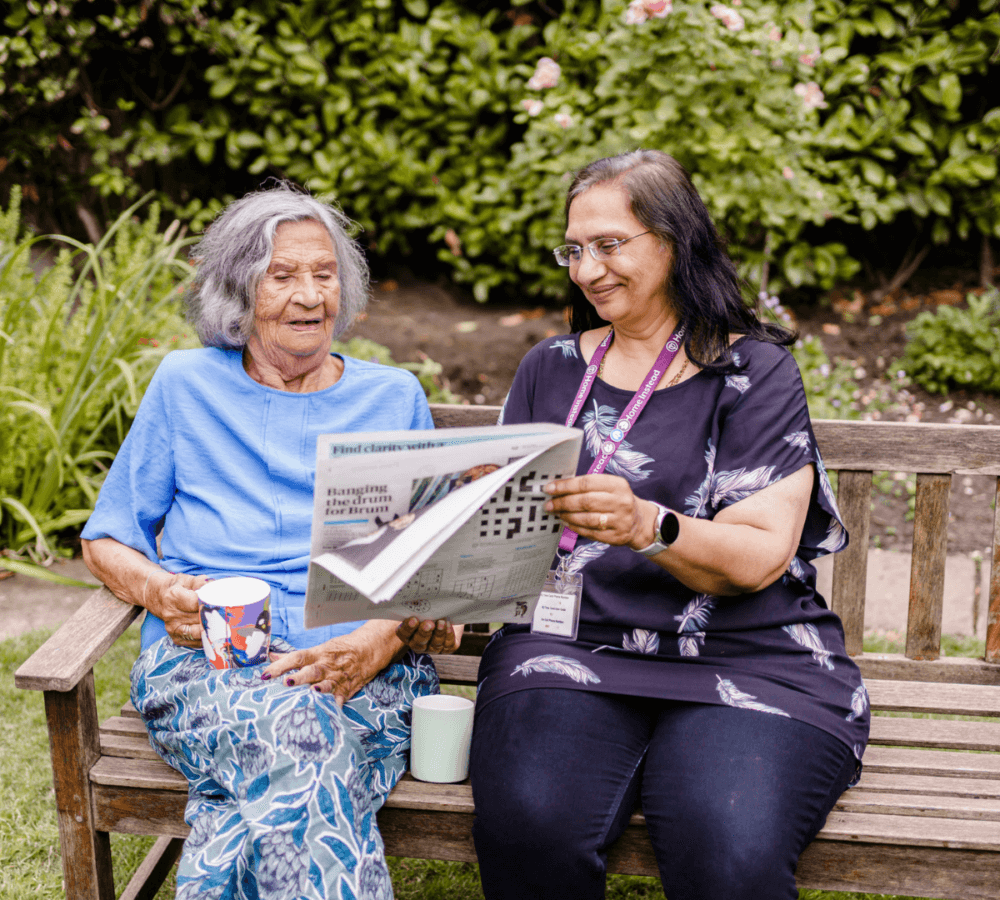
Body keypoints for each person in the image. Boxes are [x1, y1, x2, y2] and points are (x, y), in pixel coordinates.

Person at [420, 150, 871, 899]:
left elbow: (760, 557)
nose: (587, 269)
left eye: (609, 245)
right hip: (567, 645)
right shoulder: (551, 368)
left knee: (725, 845)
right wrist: (434, 575)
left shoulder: (752, 373)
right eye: (574, 249)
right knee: (531, 824)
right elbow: (503, 533)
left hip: (744, 653)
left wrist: (649, 525)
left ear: (673, 240)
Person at [81, 183, 442, 900]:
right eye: (282, 276)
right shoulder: (186, 387)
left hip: (357, 666)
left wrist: (376, 643)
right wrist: (163, 592)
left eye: (324, 273)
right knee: (303, 735)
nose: (309, 295)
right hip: (208, 668)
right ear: (239, 291)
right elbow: (107, 540)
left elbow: (427, 567)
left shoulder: (392, 398)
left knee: (285, 757)